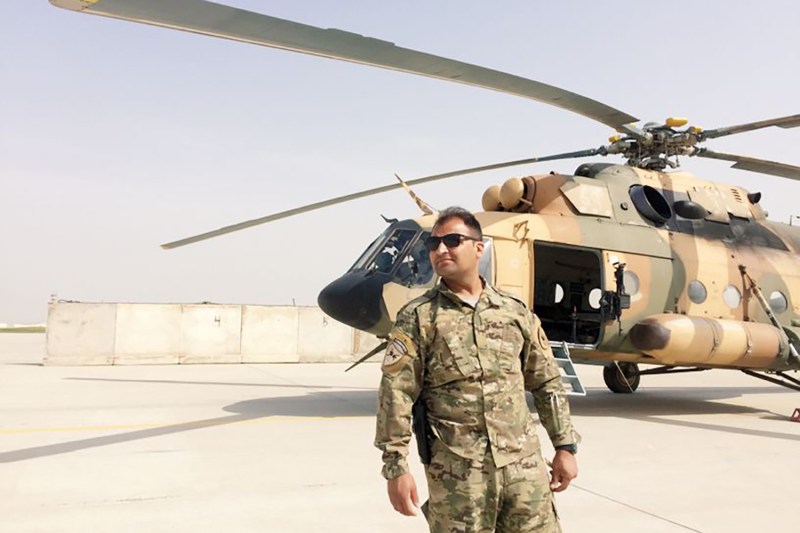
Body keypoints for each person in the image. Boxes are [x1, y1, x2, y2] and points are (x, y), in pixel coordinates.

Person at [374, 206, 579, 532]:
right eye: (434, 243)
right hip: (459, 478)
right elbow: (396, 394)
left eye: (452, 241)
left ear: (478, 247)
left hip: (523, 471)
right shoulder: (419, 318)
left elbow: (547, 382)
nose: (440, 249)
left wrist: (564, 447)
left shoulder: (514, 312)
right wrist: (396, 467)